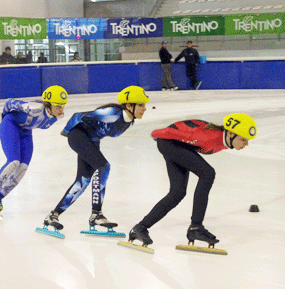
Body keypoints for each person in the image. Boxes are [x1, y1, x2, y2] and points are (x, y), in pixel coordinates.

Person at [128, 113, 257, 247]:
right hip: (169, 142)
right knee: (208, 173)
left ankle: (140, 228)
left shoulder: (223, 139)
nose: (246, 144)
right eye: (243, 140)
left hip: (178, 145)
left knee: (177, 193)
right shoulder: (208, 137)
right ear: (230, 134)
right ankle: (196, 227)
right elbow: (174, 133)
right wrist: (158, 133)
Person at [43, 86, 149, 232]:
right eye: (141, 105)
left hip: (91, 141)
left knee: (83, 180)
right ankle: (96, 214)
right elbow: (78, 116)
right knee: (104, 166)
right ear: (129, 105)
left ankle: (53, 215)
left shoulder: (130, 121)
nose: (145, 109)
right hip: (79, 136)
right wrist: (67, 132)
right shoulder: (112, 113)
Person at [0, 85, 69, 216]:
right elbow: (9, 102)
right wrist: (4, 118)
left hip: (26, 132)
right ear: (48, 104)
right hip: (10, 125)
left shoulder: (57, 116)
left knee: (23, 167)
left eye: (63, 105)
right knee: (13, 161)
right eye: (58, 106)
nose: (61, 110)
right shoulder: (33, 108)